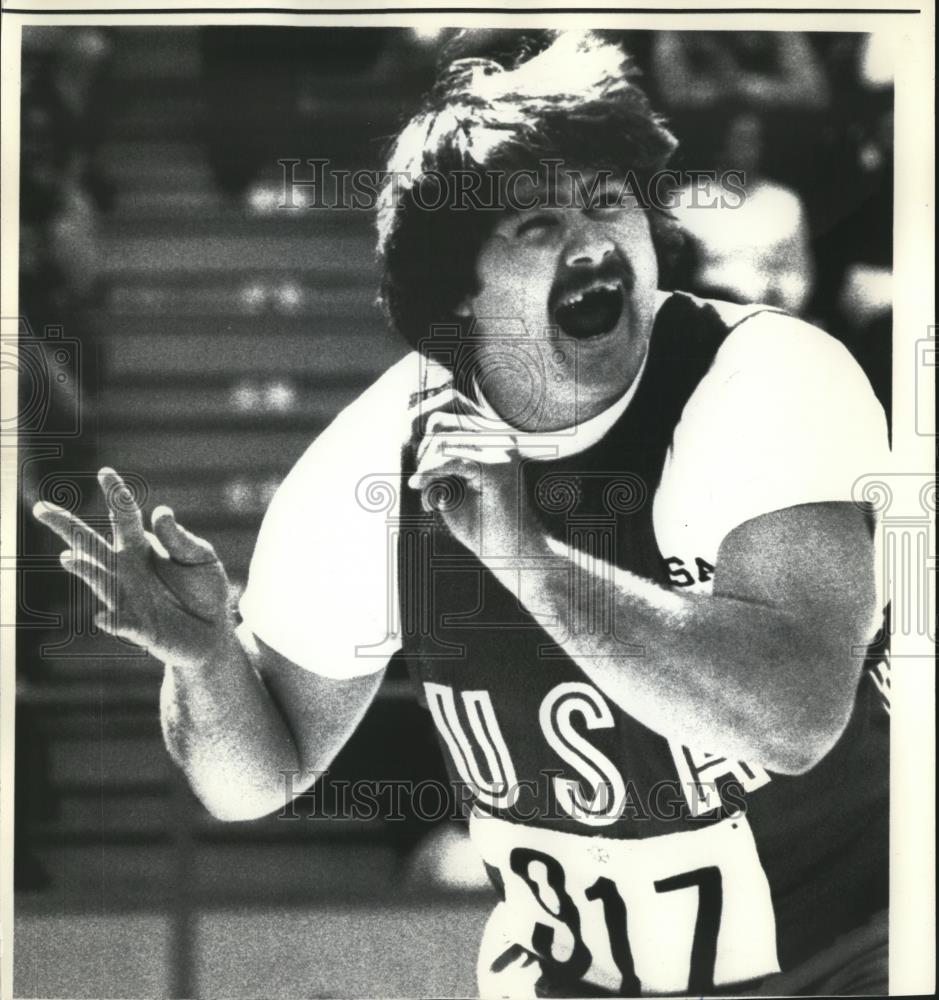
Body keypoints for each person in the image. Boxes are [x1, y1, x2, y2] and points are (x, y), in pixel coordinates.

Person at [34, 31, 890, 998]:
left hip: (855, 944)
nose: (595, 240)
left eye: (611, 203)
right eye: (538, 226)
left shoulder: (763, 377)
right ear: (458, 295)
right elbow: (252, 778)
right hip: (571, 977)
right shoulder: (370, 462)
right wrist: (202, 665)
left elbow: (795, 716)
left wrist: (526, 559)